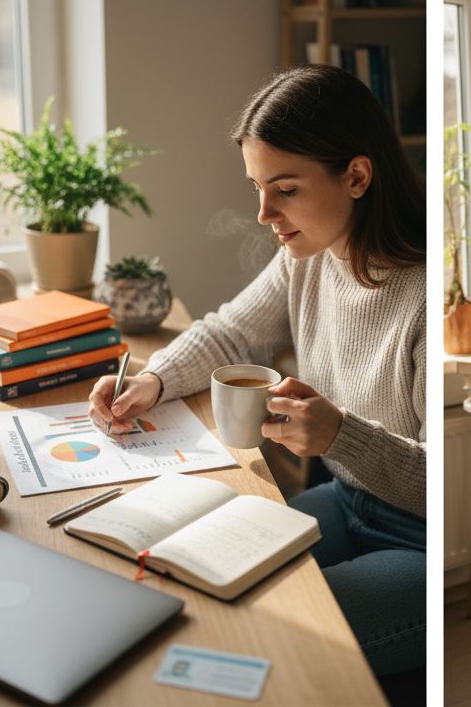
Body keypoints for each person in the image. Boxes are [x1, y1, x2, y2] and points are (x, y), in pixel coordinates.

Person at [86, 65, 426, 675]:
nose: (265, 212)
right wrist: (152, 380)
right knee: (193, 586)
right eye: (257, 187)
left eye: (285, 189)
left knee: (261, 634)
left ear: (356, 176)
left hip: (419, 540)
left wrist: (341, 435)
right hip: (347, 501)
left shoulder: (425, 295)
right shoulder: (308, 254)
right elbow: (233, 332)